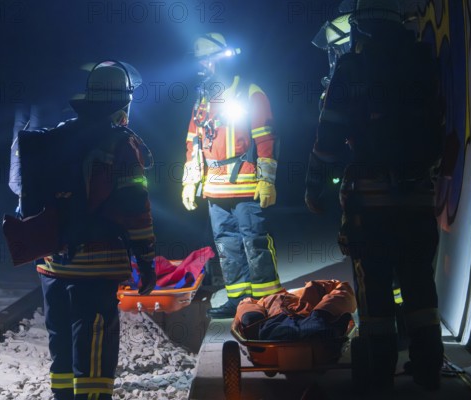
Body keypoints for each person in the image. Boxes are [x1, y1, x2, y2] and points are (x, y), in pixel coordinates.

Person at [305, 0, 445, 393]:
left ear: (362, 27)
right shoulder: (423, 61)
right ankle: (429, 367)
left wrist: (313, 185)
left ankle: (380, 374)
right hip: (418, 198)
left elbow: (328, 137)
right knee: (419, 283)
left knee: (376, 288)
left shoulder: (352, 68)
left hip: (371, 203)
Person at [18, 61, 156, 400]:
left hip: (52, 262)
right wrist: (147, 260)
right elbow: (136, 207)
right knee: (94, 348)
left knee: (61, 343)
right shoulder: (122, 144)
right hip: (96, 266)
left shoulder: (60, 135)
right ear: (125, 102)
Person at [181, 33, 281, 319]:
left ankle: (267, 301)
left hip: (247, 182)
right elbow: (193, 142)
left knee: (255, 241)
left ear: (221, 59)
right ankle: (238, 299)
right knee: (226, 245)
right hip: (214, 186)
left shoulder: (250, 93)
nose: (202, 66)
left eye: (207, 60)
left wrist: (266, 180)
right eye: (199, 61)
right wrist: (190, 181)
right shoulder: (202, 98)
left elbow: (265, 138)